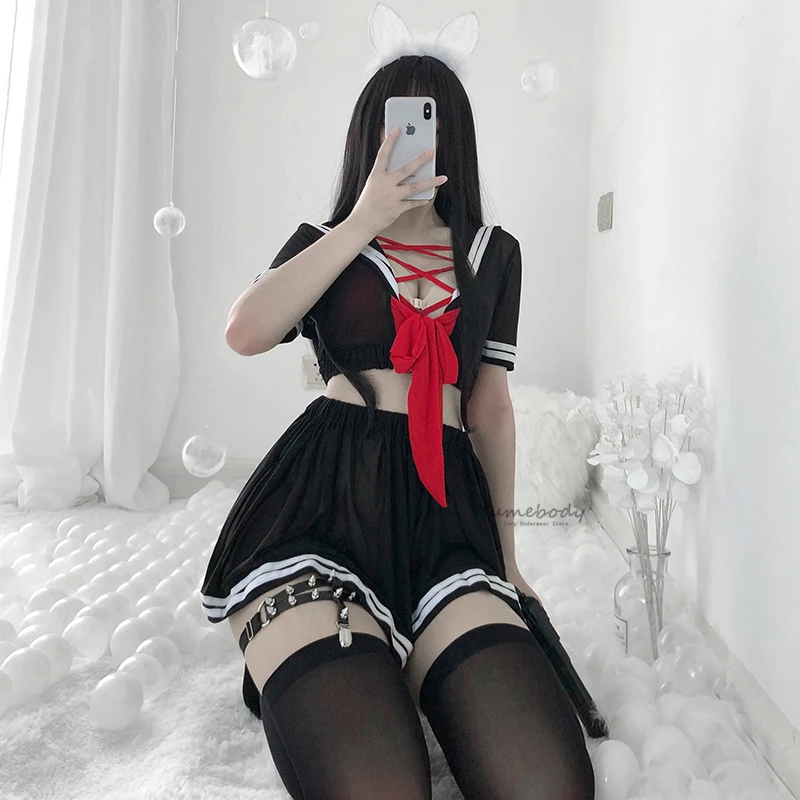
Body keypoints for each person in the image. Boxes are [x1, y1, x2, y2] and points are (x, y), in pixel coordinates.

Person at [200, 55, 595, 800]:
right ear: (369, 135)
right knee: (375, 784)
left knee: (545, 783)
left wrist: (507, 560)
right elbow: (245, 332)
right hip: (320, 506)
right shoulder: (326, 239)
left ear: (455, 138)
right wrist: (364, 221)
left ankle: (401, 654)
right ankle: (337, 652)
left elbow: (489, 407)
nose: (413, 140)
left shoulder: (494, 253)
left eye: (430, 121)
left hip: (444, 520)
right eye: (398, 122)